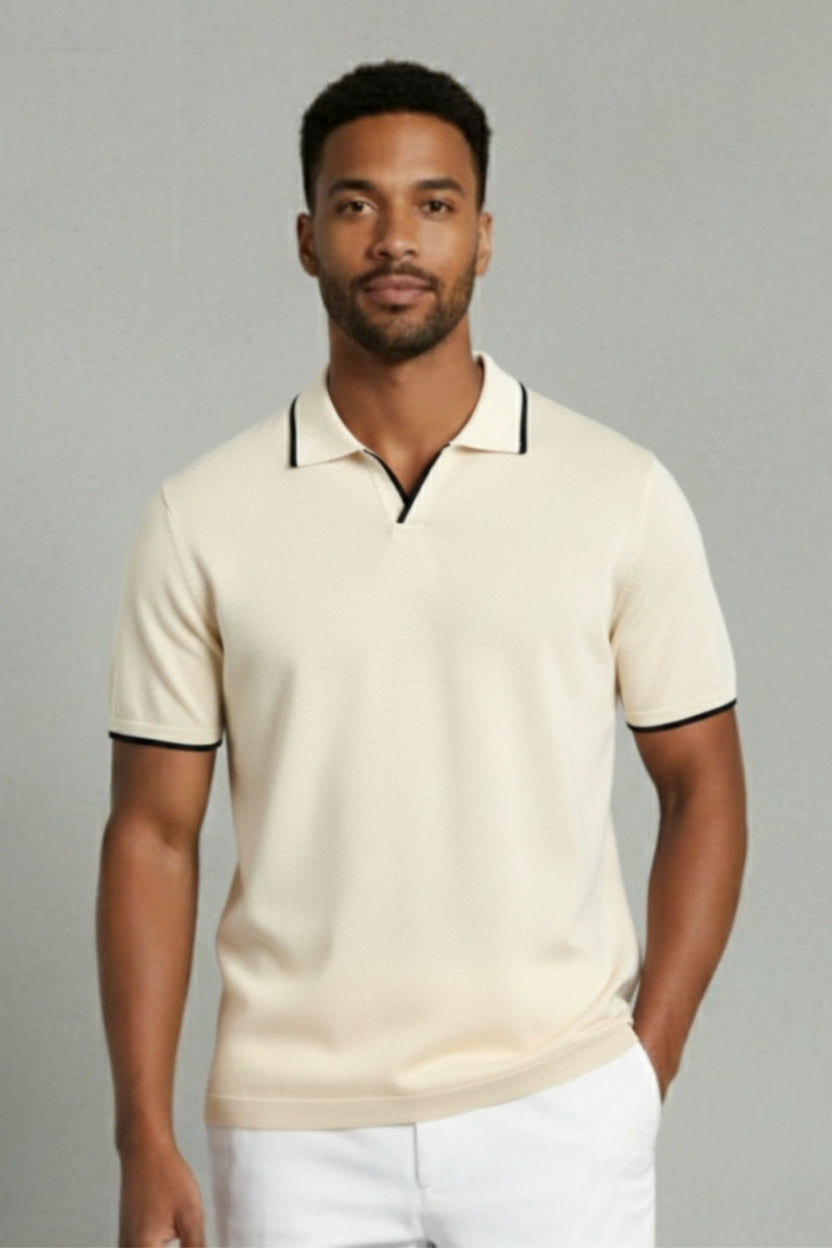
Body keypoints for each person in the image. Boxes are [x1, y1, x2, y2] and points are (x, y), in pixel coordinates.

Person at [96, 59, 747, 1248]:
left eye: (434, 204)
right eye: (356, 204)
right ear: (306, 239)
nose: (395, 238)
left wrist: (639, 1070)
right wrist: (143, 1136)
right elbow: (152, 833)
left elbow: (702, 782)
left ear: (483, 237)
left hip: (559, 1111)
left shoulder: (619, 492)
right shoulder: (201, 516)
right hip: (291, 1133)